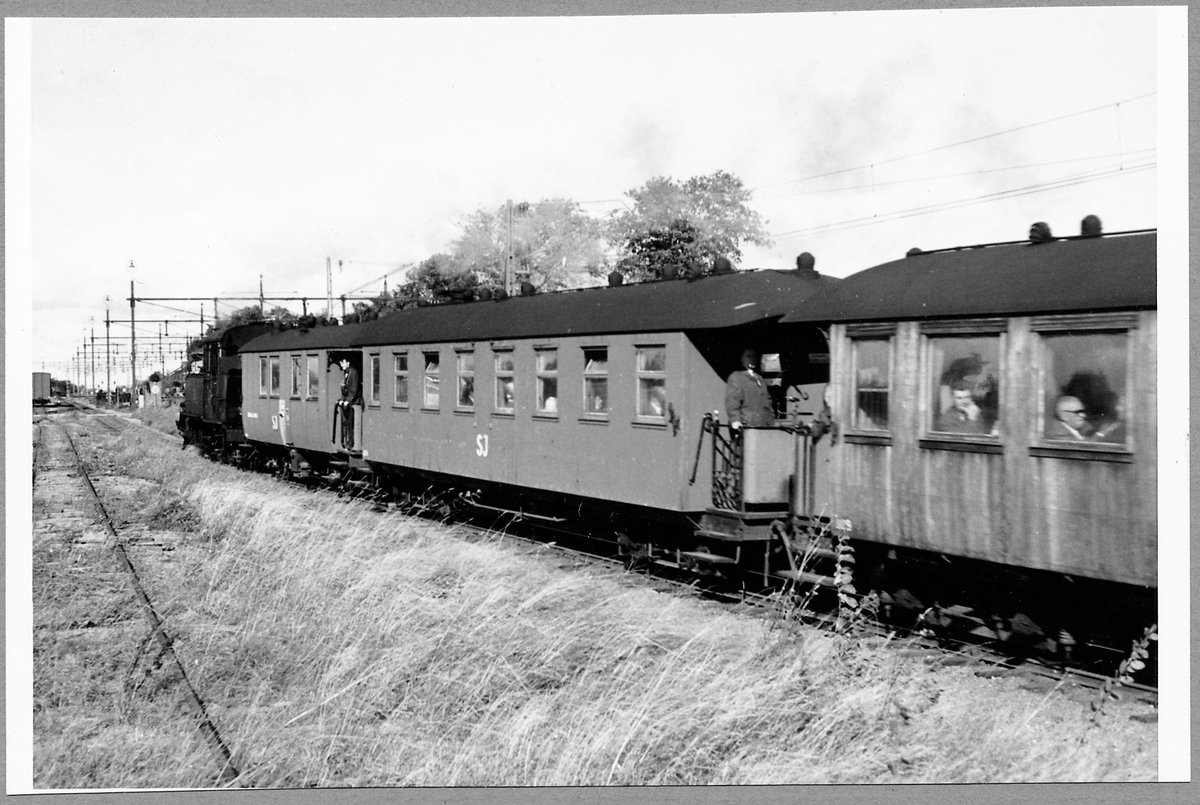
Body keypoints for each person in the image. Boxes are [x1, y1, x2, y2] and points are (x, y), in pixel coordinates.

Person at [725, 348, 776, 430]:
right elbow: (732, 400)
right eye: (748, 356)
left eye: (754, 356)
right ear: (742, 359)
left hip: (764, 426)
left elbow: (768, 401)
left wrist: (771, 420)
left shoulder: (760, 379)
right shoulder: (736, 377)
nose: (752, 359)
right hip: (748, 426)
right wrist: (735, 420)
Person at [338, 358, 362, 450]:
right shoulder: (346, 373)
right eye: (340, 363)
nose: (341, 364)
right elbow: (345, 389)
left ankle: (351, 443)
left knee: (351, 423)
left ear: (348, 363)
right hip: (348, 402)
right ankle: (347, 442)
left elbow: (353, 389)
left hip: (354, 401)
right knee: (346, 422)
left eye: (343, 362)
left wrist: (348, 400)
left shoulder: (353, 372)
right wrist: (342, 399)